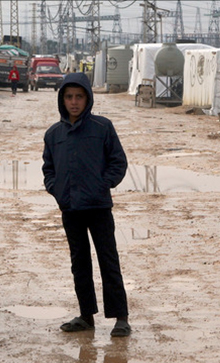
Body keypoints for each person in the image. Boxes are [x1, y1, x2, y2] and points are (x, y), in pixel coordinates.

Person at [42, 72, 131, 337]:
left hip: (99, 207)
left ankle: (121, 318)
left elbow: (118, 161)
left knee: (108, 261)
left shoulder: (102, 127)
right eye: (69, 97)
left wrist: (103, 184)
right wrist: (57, 190)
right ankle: (85, 316)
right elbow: (48, 169)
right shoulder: (53, 134)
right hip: (70, 209)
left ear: (88, 98)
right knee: (79, 263)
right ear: (62, 100)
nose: (74, 102)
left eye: (79, 96)